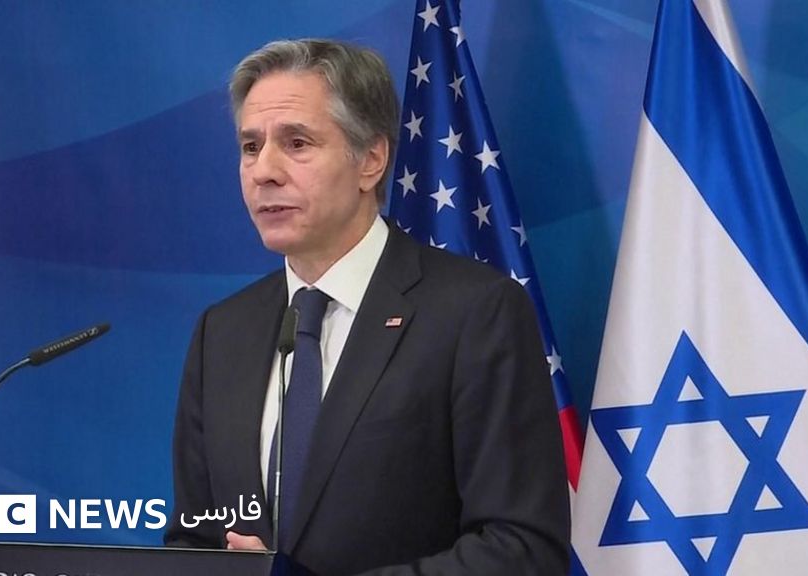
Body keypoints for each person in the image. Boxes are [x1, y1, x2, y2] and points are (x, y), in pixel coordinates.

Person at [164, 38, 570, 575]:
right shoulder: (222, 332)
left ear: (371, 160)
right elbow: (193, 543)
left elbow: (522, 549)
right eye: (250, 146)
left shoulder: (475, 314)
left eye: (297, 143)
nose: (264, 171)